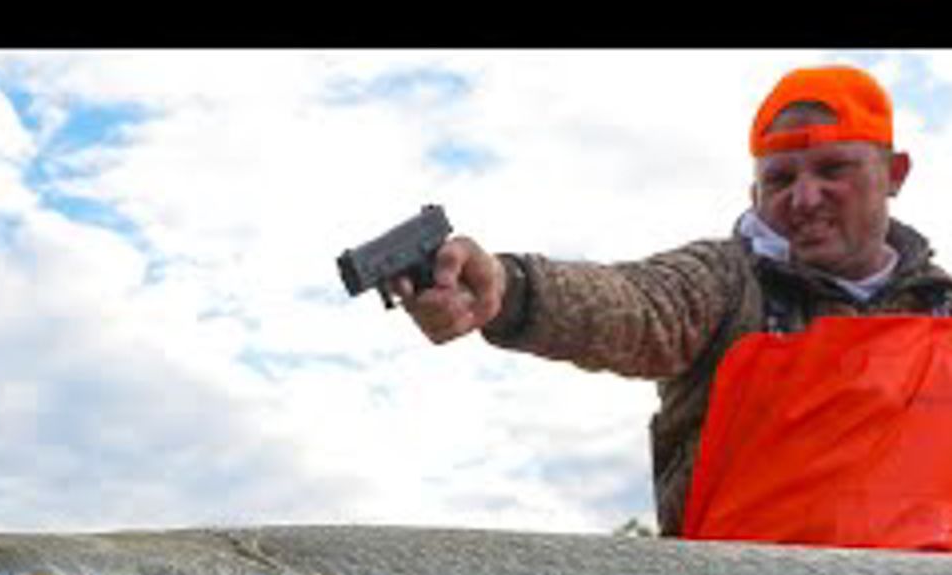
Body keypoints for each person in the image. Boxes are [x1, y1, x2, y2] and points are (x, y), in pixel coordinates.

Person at [396, 65, 952, 548]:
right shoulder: (728, 283)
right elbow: (634, 305)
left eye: (833, 170)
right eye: (780, 179)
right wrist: (508, 286)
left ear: (895, 173)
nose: (805, 199)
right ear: (754, 195)